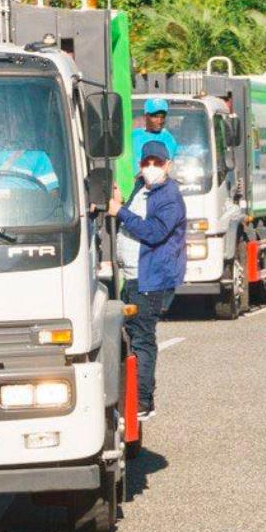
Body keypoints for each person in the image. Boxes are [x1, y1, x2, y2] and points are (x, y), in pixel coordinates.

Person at [109, 140, 186, 420]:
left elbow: (154, 232)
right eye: (147, 162)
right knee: (129, 337)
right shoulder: (141, 188)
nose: (151, 167)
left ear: (168, 165)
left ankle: (142, 401)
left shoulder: (169, 197)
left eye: (157, 162)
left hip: (151, 279)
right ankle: (132, 397)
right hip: (132, 277)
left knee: (142, 339)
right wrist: (120, 204)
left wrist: (120, 211)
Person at [131, 98, 179, 167]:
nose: (159, 120)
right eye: (155, 116)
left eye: (162, 116)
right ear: (146, 116)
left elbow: (161, 167)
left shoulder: (168, 139)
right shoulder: (134, 135)